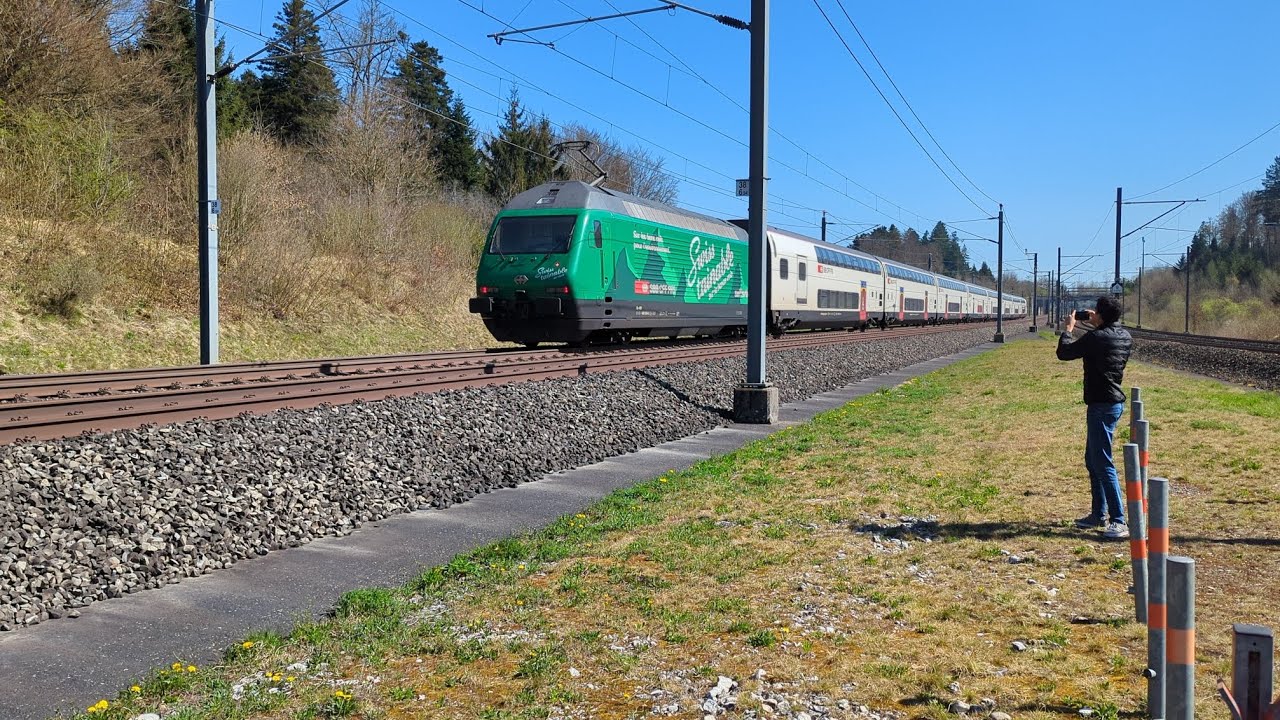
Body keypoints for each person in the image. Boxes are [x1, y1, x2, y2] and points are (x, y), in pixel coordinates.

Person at [1056, 295, 1133, 539]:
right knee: (1092, 460)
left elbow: (1064, 353)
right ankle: (1097, 514)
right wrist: (1098, 323)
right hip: (1112, 403)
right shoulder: (1124, 336)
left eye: (1096, 313)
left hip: (1101, 404)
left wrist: (1069, 329)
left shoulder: (1096, 338)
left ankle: (1118, 520)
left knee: (1102, 462)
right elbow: (1104, 342)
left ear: (1099, 315)